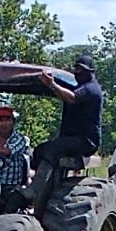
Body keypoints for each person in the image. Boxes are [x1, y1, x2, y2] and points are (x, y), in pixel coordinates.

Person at [14, 53, 103, 204]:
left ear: (90, 72)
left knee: (52, 149)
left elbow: (71, 97)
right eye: (76, 69)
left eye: (81, 70)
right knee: (40, 150)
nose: (77, 73)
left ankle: (33, 192)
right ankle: (29, 187)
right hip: (69, 138)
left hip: (86, 141)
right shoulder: (78, 86)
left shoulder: (91, 89)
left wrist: (52, 85)